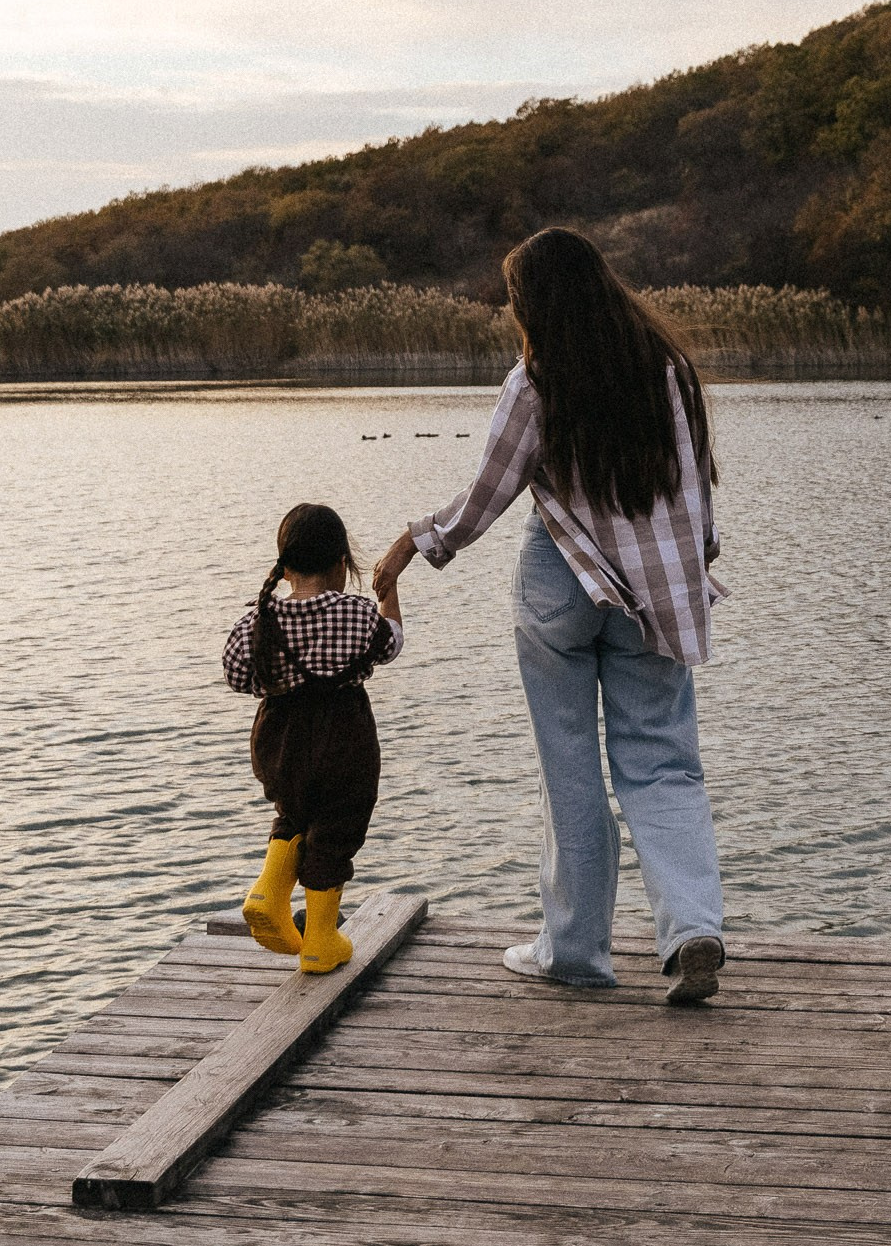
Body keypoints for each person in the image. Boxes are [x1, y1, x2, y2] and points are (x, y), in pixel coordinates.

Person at [374, 227, 727, 1004]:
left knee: (568, 764)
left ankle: (573, 952)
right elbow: (698, 486)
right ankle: (693, 927)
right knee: (663, 761)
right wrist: (693, 570)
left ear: (535, 305)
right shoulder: (668, 370)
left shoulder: (535, 381)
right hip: (654, 587)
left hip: (558, 585)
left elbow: (485, 499)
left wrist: (412, 544)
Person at [224, 502, 404, 973]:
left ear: (284, 570)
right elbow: (392, 643)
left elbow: (237, 676)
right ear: (342, 565)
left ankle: (268, 890)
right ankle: (321, 939)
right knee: (337, 828)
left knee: (294, 813)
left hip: (278, 744)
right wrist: (390, 593)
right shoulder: (356, 613)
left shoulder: (257, 622)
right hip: (343, 741)